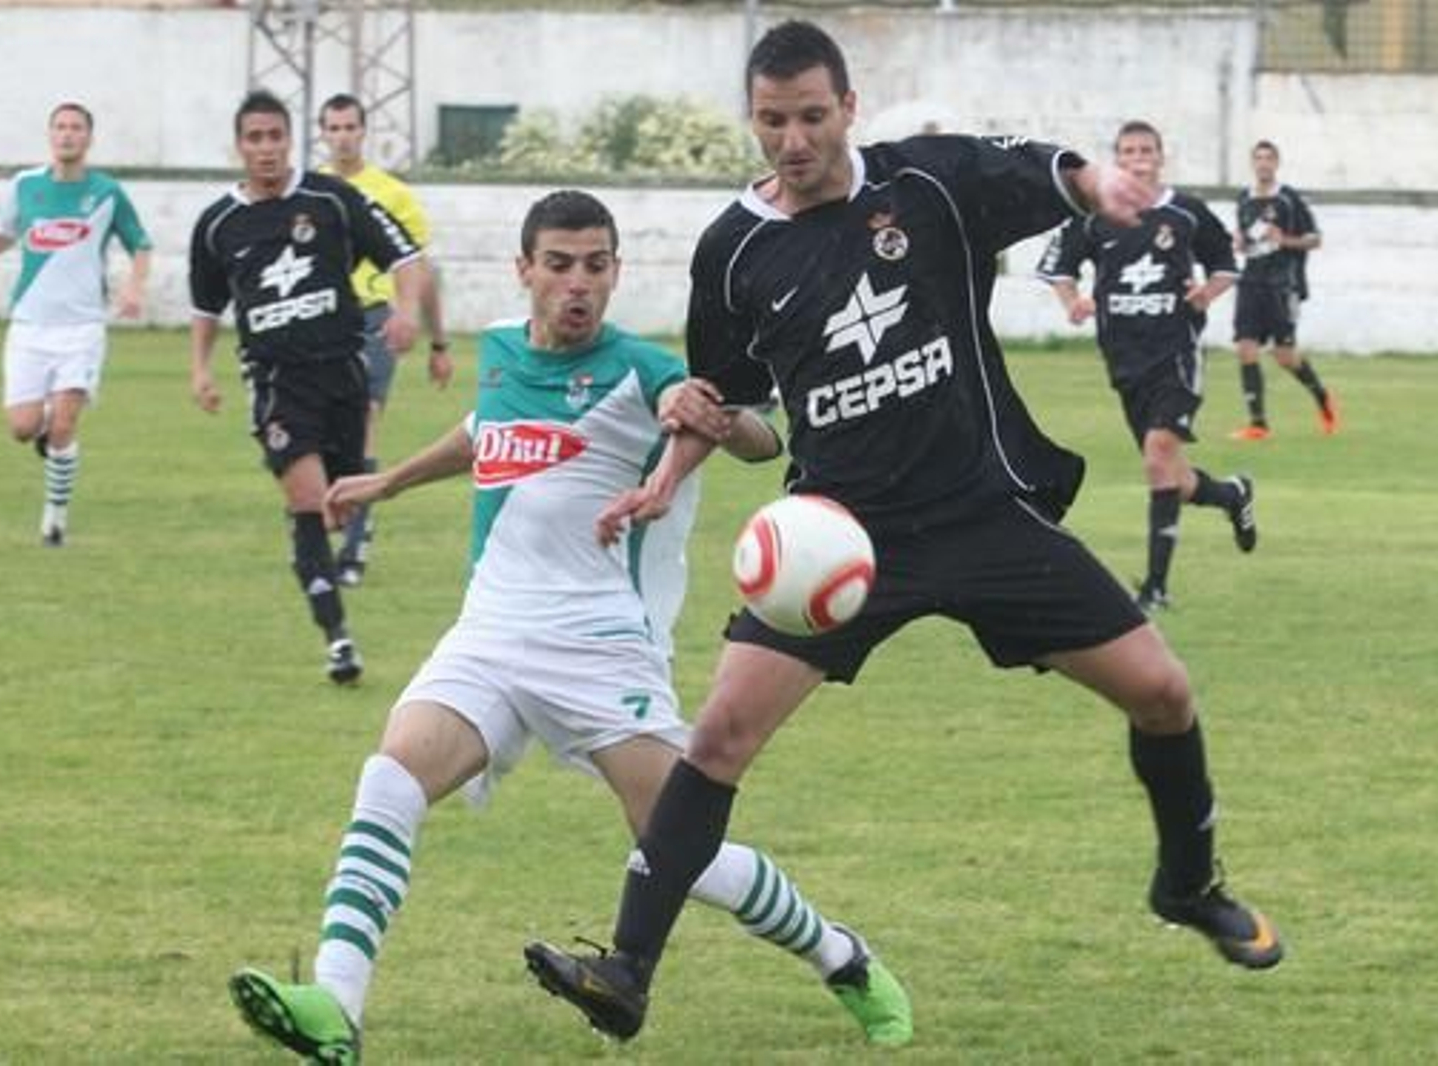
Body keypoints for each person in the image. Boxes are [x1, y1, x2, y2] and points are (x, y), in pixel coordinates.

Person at [524, 21, 1285, 1045]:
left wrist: (1099, 183)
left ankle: (1188, 884)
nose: (791, 140)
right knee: (718, 735)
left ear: (847, 104)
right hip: (837, 541)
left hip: (982, 514)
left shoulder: (925, 185)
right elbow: (739, 411)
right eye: (770, 121)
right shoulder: (735, 252)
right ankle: (626, 969)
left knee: (1163, 692)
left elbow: (1039, 171)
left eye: (808, 115)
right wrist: (674, 464)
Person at [226, 190, 914, 1063]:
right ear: (525, 271)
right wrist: (387, 482)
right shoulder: (505, 351)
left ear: (616, 272)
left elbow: (753, 437)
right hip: (490, 631)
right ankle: (335, 1006)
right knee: (391, 778)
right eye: (559, 265)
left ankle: (842, 957)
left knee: (682, 853)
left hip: (599, 645)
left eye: (595, 265)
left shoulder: (641, 368)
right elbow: (487, 434)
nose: (577, 284)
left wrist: (714, 422)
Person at [188, 90, 426, 684]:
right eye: (254, 138)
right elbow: (204, 305)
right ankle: (338, 640)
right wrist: (201, 368)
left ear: (290, 140)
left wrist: (407, 311)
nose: (265, 149)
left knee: (341, 503)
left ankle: (348, 558)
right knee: (306, 503)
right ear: (239, 145)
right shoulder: (218, 223)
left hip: (342, 372)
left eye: (275, 137)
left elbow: (406, 255)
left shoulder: (330, 200)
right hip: (276, 383)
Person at [1038, 120, 1256, 611]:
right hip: (1124, 360)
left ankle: (1155, 589)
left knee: (1157, 459)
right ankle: (1232, 495)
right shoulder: (1096, 215)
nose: (1139, 157)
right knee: (1170, 476)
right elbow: (1059, 268)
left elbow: (1225, 263)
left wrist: (1206, 293)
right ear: (1117, 158)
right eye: (1129, 150)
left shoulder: (1186, 212)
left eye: (1147, 149)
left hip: (1175, 354)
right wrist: (1072, 301)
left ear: (1161, 156)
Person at [0, 101, 152, 547]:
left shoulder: (106, 192)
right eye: (60, 127)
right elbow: (10, 231)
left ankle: (54, 520)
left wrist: (134, 289)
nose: (67, 135)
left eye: (76, 128)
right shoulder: (24, 185)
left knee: (64, 426)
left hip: (81, 328)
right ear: (50, 135)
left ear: (88, 138)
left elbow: (140, 243)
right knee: (23, 428)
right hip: (29, 325)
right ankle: (44, 429)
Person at [318, 93, 453, 587]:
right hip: (322, 323)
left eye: (350, 126)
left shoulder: (392, 194)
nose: (342, 136)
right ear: (323, 133)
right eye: (333, 128)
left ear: (363, 131)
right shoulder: (312, 190)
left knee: (364, 422)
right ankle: (332, 522)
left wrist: (437, 341)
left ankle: (354, 548)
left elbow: (420, 270)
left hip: (376, 317)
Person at [1230, 139, 1337, 440]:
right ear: (1253, 163)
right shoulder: (1244, 199)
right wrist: (1239, 241)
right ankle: (1258, 424)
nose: (1263, 163)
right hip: (1251, 281)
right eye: (1258, 158)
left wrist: (1284, 239)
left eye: (1269, 158)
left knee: (1284, 355)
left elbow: (1315, 239)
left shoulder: (1289, 200)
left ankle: (1322, 397)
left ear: (1276, 163)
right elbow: (1245, 238)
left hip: (1282, 283)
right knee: (1245, 348)